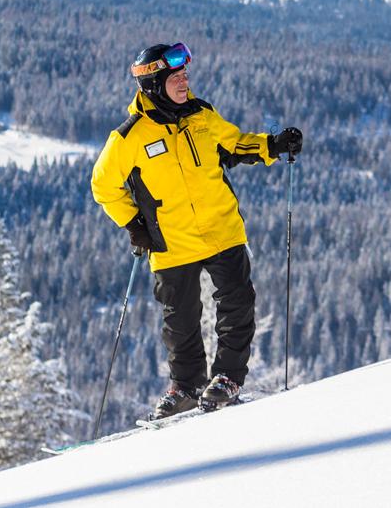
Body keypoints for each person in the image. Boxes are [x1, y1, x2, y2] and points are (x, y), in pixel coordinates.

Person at [91, 42, 303, 420]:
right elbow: (103, 186)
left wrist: (273, 145)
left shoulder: (202, 115)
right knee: (180, 319)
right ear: (154, 83)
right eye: (176, 77)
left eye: (186, 75)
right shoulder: (129, 137)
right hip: (172, 240)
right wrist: (134, 224)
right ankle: (186, 387)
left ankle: (226, 378)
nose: (185, 81)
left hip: (222, 228)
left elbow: (235, 145)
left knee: (237, 304)